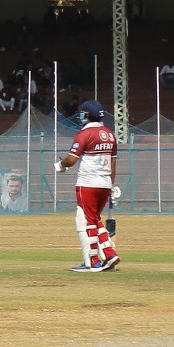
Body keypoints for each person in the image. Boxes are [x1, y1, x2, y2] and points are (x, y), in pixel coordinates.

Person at [55, 99, 120, 272]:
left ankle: (94, 261)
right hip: (105, 183)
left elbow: (71, 159)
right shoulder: (110, 134)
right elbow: (113, 165)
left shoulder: (84, 134)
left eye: (82, 113)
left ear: (87, 115)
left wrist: (61, 165)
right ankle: (108, 253)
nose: (80, 116)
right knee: (94, 219)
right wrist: (111, 186)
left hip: (88, 183)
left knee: (90, 221)